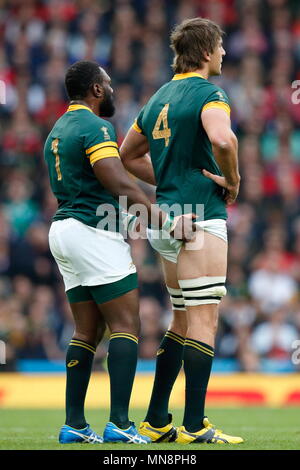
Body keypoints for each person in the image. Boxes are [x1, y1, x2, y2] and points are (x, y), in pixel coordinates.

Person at [44, 60, 194, 444]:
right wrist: (166, 220)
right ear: (96, 89)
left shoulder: (57, 130)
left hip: (63, 230)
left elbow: (89, 189)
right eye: (107, 85)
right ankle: (120, 423)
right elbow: (119, 182)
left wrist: (125, 220)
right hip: (91, 234)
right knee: (126, 326)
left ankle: (74, 424)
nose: (111, 91)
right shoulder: (96, 127)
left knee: (86, 330)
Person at [120, 18, 243, 444]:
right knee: (205, 321)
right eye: (221, 46)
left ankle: (156, 418)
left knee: (182, 319)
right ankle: (194, 425)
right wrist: (233, 181)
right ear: (207, 51)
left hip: (168, 220)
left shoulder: (158, 97)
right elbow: (224, 142)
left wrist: (171, 180)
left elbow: (126, 154)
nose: (225, 53)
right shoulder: (211, 94)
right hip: (202, 219)